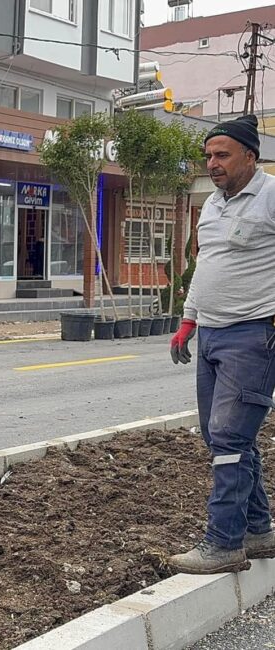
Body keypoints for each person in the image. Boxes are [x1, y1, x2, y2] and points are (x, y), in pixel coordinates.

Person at [167, 114, 275, 574]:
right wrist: (188, 320)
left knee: (231, 436)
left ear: (250, 156)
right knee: (221, 436)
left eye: (222, 155)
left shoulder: (271, 196)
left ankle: (224, 543)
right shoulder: (212, 204)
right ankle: (259, 529)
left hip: (253, 334)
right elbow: (206, 262)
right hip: (210, 333)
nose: (212, 163)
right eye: (208, 155)